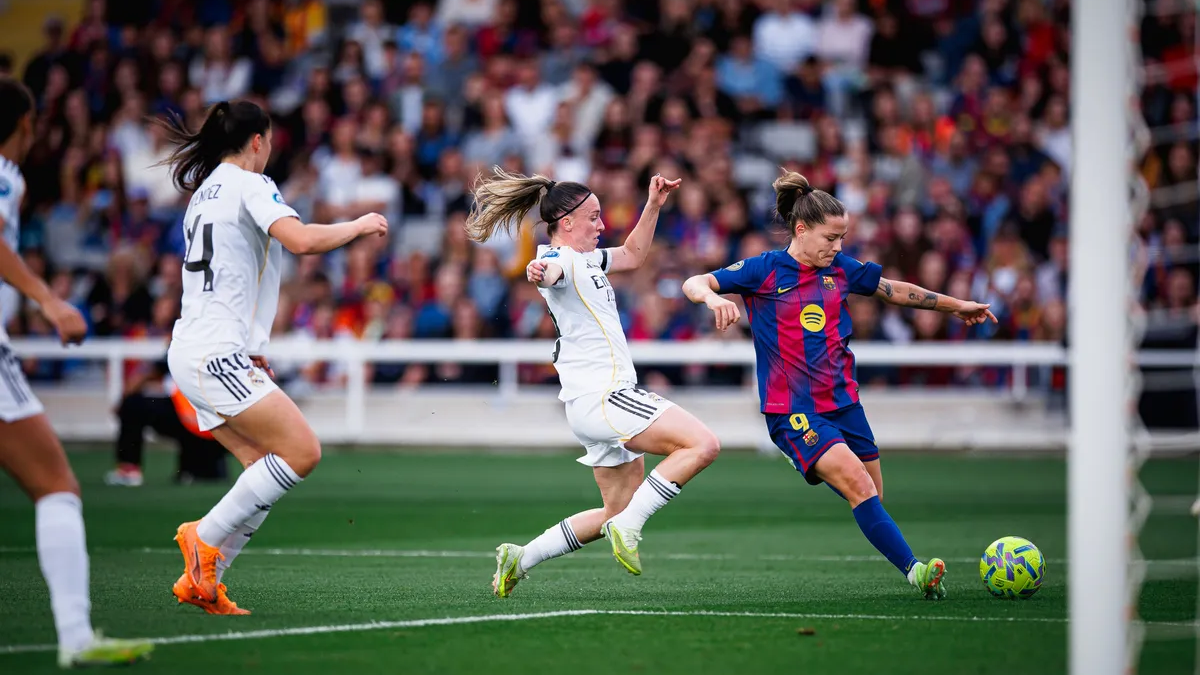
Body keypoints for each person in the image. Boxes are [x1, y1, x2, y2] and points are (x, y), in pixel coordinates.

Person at [682, 171, 998, 600]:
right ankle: (917, 572)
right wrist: (714, 298)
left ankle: (811, 461)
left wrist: (955, 305)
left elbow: (892, 290)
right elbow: (695, 282)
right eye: (831, 237)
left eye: (843, 238)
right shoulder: (764, 270)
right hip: (792, 409)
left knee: (870, 495)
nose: (838, 247)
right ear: (801, 229)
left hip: (845, 403)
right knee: (858, 485)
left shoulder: (841, 270)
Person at [159, 100, 388, 614]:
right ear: (258, 141)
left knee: (261, 467)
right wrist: (357, 225)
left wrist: (255, 347)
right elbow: (301, 241)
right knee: (303, 452)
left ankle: (205, 582)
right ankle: (204, 538)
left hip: (196, 348)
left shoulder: (204, 193)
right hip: (214, 352)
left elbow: (238, 272)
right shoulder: (251, 184)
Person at [468, 168, 721, 597]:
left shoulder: (587, 259)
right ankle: (631, 526)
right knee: (703, 445)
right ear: (566, 222)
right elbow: (546, 271)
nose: (602, 225)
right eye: (594, 217)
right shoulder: (558, 259)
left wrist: (654, 204)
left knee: (614, 510)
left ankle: (521, 557)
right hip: (609, 398)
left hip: (589, 405)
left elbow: (635, 254)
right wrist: (537, 271)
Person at [0, 77, 153, 667]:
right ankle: (75, 637)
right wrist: (49, 299)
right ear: (23, 126)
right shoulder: (5, 174)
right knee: (56, 488)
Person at [105, 350, 229, 487]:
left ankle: (129, 469)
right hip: (220, 422)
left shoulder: (185, 340)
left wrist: (124, 399)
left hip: (195, 419)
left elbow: (149, 373)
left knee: (132, 405)